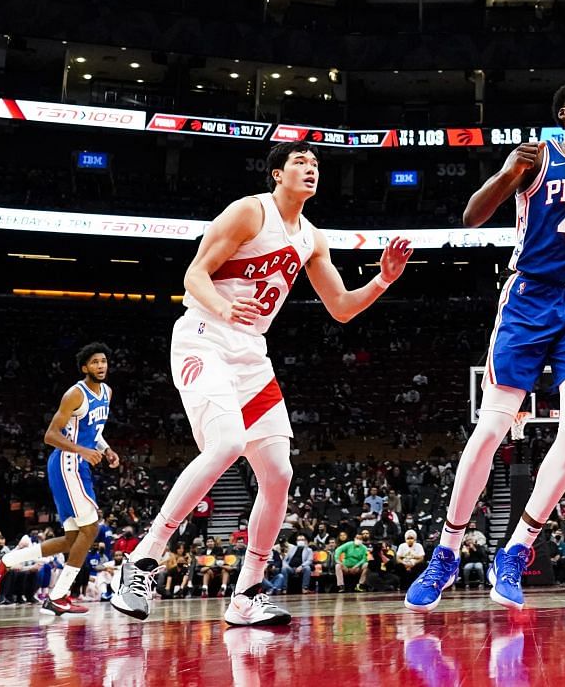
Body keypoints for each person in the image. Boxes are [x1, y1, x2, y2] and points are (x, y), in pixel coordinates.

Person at [109, 144, 413, 625]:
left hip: (251, 354)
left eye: (316, 164)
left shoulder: (312, 238)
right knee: (228, 441)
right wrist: (226, 308)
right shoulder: (251, 211)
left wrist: (382, 280)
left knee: (278, 473)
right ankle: (143, 559)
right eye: (300, 162)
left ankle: (246, 593)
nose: (311, 168)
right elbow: (194, 275)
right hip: (204, 336)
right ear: (277, 173)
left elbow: (340, 308)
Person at [408, 79, 565, 613]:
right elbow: (470, 216)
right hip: (528, 301)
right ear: (562, 112)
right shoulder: (535, 159)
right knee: (491, 427)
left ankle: (516, 550)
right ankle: (445, 553)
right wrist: (508, 173)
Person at [3, 342, 119, 615]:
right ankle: (58, 596)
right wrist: (83, 451)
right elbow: (51, 435)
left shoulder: (107, 393)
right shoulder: (74, 394)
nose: (101, 366)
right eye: (95, 362)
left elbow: (95, 431)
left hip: (79, 463)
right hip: (68, 462)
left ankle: (8, 560)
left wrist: (107, 450)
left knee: (72, 539)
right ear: (84, 367)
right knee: (91, 530)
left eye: (103, 361)